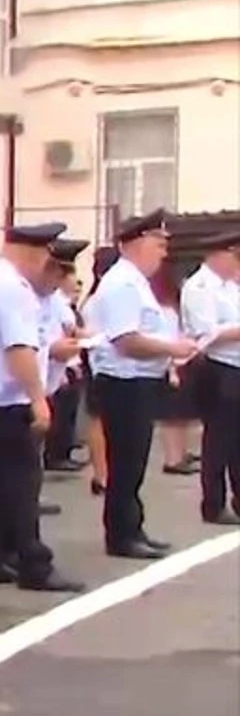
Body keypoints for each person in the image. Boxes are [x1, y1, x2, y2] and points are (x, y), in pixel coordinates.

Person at [0, 221, 86, 592]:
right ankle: (33, 563)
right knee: (22, 485)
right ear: (33, 252)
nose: (48, 263)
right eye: (46, 254)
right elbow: (18, 348)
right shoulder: (12, 289)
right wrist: (38, 398)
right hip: (8, 402)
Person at [83, 209, 195, 559]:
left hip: (140, 382)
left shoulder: (135, 282)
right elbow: (126, 340)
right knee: (126, 463)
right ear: (138, 243)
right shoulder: (122, 284)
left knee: (133, 462)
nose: (163, 253)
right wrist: (171, 348)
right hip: (124, 383)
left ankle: (132, 527)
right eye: (158, 244)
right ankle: (121, 535)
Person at [181, 231, 240, 524]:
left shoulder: (229, 286)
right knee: (219, 439)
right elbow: (206, 333)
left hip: (236, 367)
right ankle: (213, 504)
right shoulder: (200, 287)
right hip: (216, 368)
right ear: (220, 254)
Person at [31, 237, 90, 519]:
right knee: (25, 449)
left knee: (36, 446)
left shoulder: (54, 300)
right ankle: (28, 497)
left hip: (51, 378)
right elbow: (30, 342)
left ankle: (32, 494)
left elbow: (69, 328)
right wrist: (55, 350)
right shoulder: (28, 296)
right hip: (30, 384)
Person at [151, 265, 200, 477]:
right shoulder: (165, 310)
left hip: (179, 362)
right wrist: (172, 369)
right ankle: (173, 458)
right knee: (172, 415)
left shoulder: (169, 307)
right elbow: (168, 339)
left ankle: (180, 453)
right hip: (173, 364)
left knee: (180, 415)